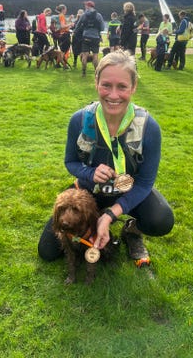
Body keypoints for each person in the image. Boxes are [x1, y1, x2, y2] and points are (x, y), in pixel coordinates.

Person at [38, 50, 174, 266]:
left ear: (134, 86)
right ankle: (91, 224)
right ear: (96, 82)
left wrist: (110, 214)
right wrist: (90, 173)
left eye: (122, 87)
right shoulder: (80, 120)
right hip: (89, 193)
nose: (113, 95)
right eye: (106, 85)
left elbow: (146, 182)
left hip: (129, 190)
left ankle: (131, 231)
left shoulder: (149, 127)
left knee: (161, 220)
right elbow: (70, 162)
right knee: (47, 251)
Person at [74, 0, 105, 77]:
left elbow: (77, 26)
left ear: (88, 6)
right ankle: (97, 73)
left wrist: (75, 32)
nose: (85, 7)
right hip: (95, 38)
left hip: (86, 37)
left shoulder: (84, 15)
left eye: (86, 5)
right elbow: (102, 28)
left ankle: (84, 73)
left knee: (84, 55)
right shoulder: (99, 15)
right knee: (95, 56)